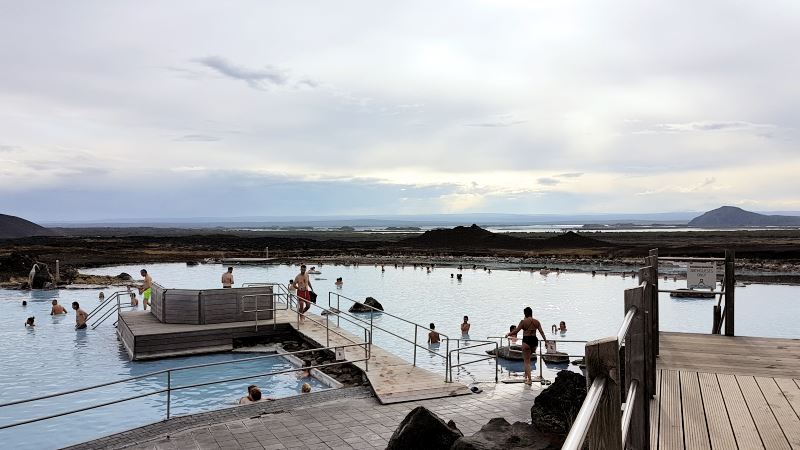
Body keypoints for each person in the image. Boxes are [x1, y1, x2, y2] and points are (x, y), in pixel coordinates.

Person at [507, 307, 547, 385]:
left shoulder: (523, 322)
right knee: (529, 359)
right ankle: (526, 375)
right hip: (534, 341)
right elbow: (541, 332)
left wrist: (508, 334)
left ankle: (529, 379)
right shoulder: (537, 322)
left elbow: (516, 331)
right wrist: (545, 341)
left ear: (525, 313)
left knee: (526, 362)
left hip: (526, 340)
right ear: (531, 313)